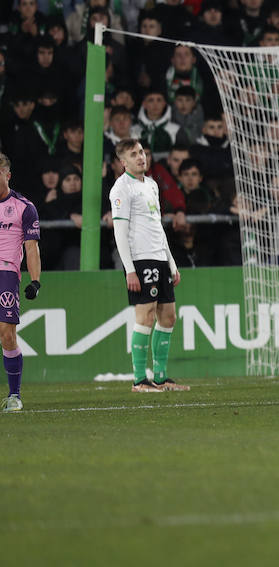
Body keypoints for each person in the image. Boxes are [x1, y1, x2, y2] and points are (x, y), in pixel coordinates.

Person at [109, 139, 188, 392]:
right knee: (145, 315)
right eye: (134, 154)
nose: (141, 157)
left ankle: (161, 378)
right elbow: (120, 232)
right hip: (140, 259)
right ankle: (139, 379)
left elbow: (157, 227)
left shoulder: (152, 185)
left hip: (159, 258)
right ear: (123, 162)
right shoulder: (121, 188)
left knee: (169, 316)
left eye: (142, 152)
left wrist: (171, 263)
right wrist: (129, 269)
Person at [0, 153, 40, 414]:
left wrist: (36, 281)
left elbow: (32, 248)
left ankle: (14, 394)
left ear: (7, 174)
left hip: (6, 272)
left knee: (6, 334)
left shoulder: (24, 207)